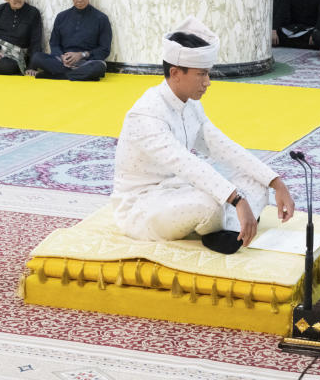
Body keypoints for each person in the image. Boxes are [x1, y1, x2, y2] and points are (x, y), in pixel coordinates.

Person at [111, 16, 296, 254]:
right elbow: (184, 162)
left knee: (256, 183)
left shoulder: (190, 104)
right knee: (211, 204)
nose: (208, 82)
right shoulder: (146, 114)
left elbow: (222, 146)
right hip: (143, 205)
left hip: (179, 190)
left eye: (208, 74)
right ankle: (231, 225)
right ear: (176, 72)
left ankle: (228, 229)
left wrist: (275, 182)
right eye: (202, 74)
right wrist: (236, 200)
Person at [30, 0, 111, 81]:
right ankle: (77, 75)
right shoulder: (61, 17)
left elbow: (104, 49)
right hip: (63, 62)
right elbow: (54, 43)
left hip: (87, 62)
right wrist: (62, 57)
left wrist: (82, 55)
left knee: (99, 67)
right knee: (37, 57)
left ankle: (55, 76)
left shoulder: (101, 18)